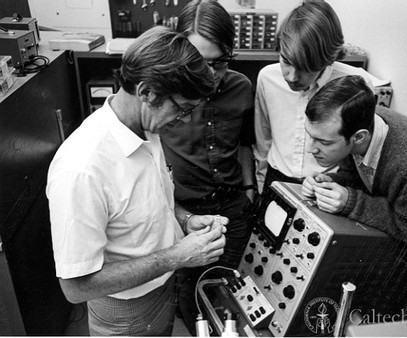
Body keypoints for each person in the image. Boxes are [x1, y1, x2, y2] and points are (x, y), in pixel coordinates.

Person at [46, 26, 228, 336]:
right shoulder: (82, 169)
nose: (184, 119)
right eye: (182, 109)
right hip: (124, 312)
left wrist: (186, 220)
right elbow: (75, 287)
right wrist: (179, 255)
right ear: (146, 93)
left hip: (160, 287)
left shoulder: (146, 129)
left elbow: (151, 201)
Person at [301, 75, 407, 317]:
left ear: (359, 137)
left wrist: (351, 202)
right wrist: (329, 184)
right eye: (311, 135)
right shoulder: (364, 124)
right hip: (391, 249)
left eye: (323, 141)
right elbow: (355, 174)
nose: (311, 148)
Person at [159, 0, 255, 333]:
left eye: (219, 63)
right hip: (185, 213)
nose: (209, 75)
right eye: (199, 62)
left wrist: (249, 190)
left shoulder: (242, 87)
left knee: (233, 291)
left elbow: (245, 143)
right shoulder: (161, 95)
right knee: (191, 297)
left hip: (233, 207)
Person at [254, 0, 374, 194]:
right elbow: (263, 138)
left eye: (306, 69)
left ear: (327, 61)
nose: (292, 77)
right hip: (276, 179)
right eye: (286, 61)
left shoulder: (356, 83)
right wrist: (260, 183)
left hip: (328, 184)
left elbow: (360, 150)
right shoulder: (267, 78)